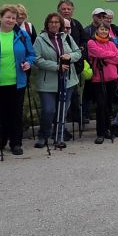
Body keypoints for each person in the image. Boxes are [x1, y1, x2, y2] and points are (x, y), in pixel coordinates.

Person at [0, 4, 36, 156]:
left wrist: (28, 63)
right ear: (0, 17)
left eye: (13, 18)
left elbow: (31, 54)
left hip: (17, 81)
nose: (11, 20)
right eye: (8, 17)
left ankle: (16, 142)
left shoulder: (22, 35)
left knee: (15, 113)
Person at [32, 12, 82, 149]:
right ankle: (43, 135)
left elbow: (78, 53)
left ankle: (58, 136)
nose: (54, 24)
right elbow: (36, 59)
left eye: (57, 22)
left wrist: (69, 56)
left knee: (62, 111)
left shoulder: (67, 37)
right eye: (51, 22)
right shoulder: (40, 39)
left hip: (67, 80)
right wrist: (56, 66)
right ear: (47, 24)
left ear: (60, 24)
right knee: (49, 110)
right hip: (47, 82)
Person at [86, 22, 118, 143]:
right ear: (97, 30)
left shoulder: (111, 43)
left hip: (112, 79)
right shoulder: (91, 42)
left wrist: (106, 57)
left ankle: (107, 129)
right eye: (102, 29)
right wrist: (111, 55)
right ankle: (100, 133)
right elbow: (97, 53)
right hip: (98, 79)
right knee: (101, 105)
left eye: (106, 30)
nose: (104, 32)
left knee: (108, 105)